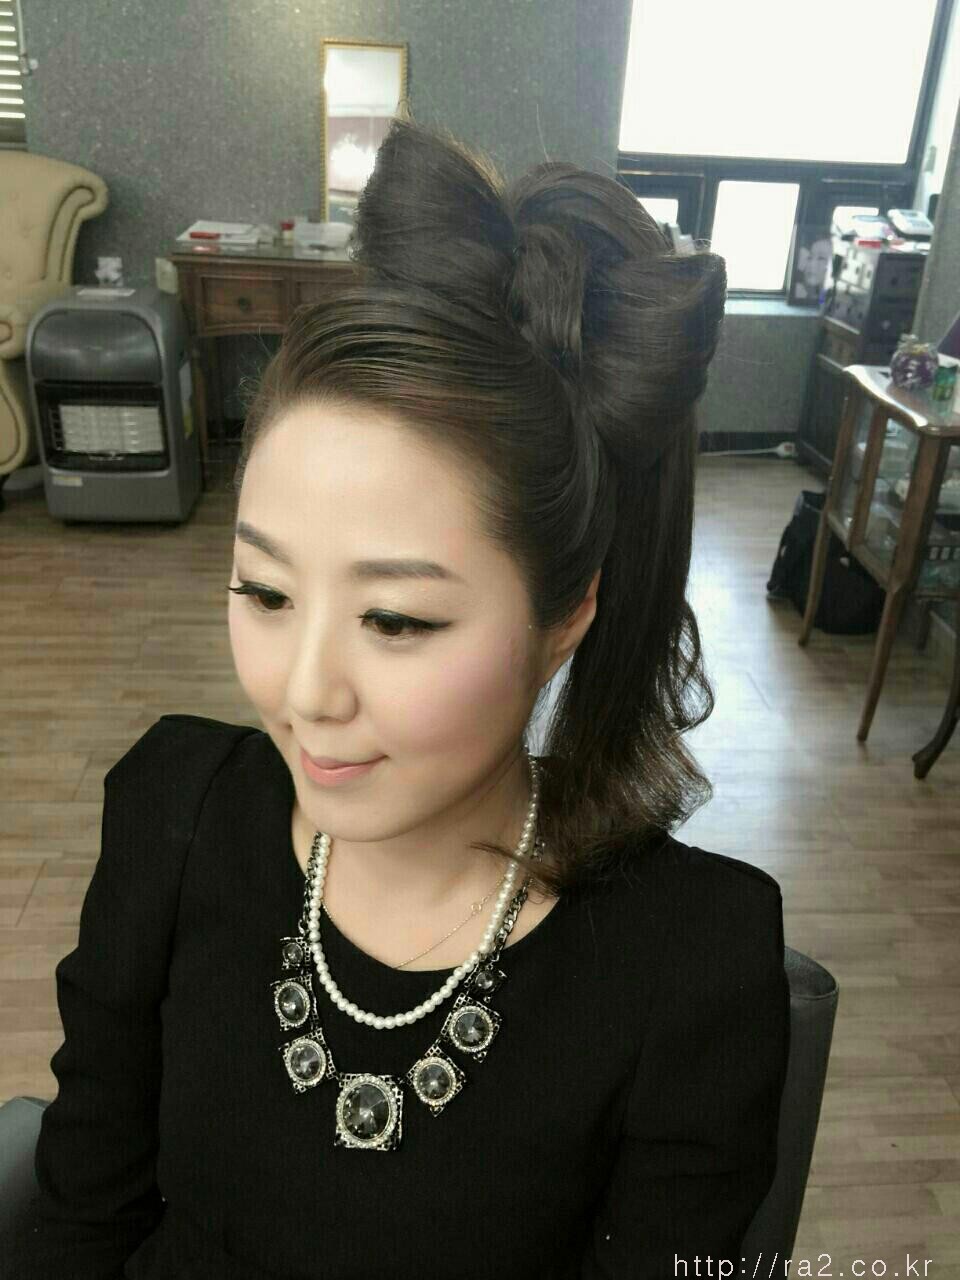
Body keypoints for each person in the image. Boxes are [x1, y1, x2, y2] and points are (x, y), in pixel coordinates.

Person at [9, 112, 790, 1279]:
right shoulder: (171, 812)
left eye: (395, 619)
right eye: (265, 591)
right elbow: (80, 1219)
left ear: (565, 615)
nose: (302, 692)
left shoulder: (690, 963)